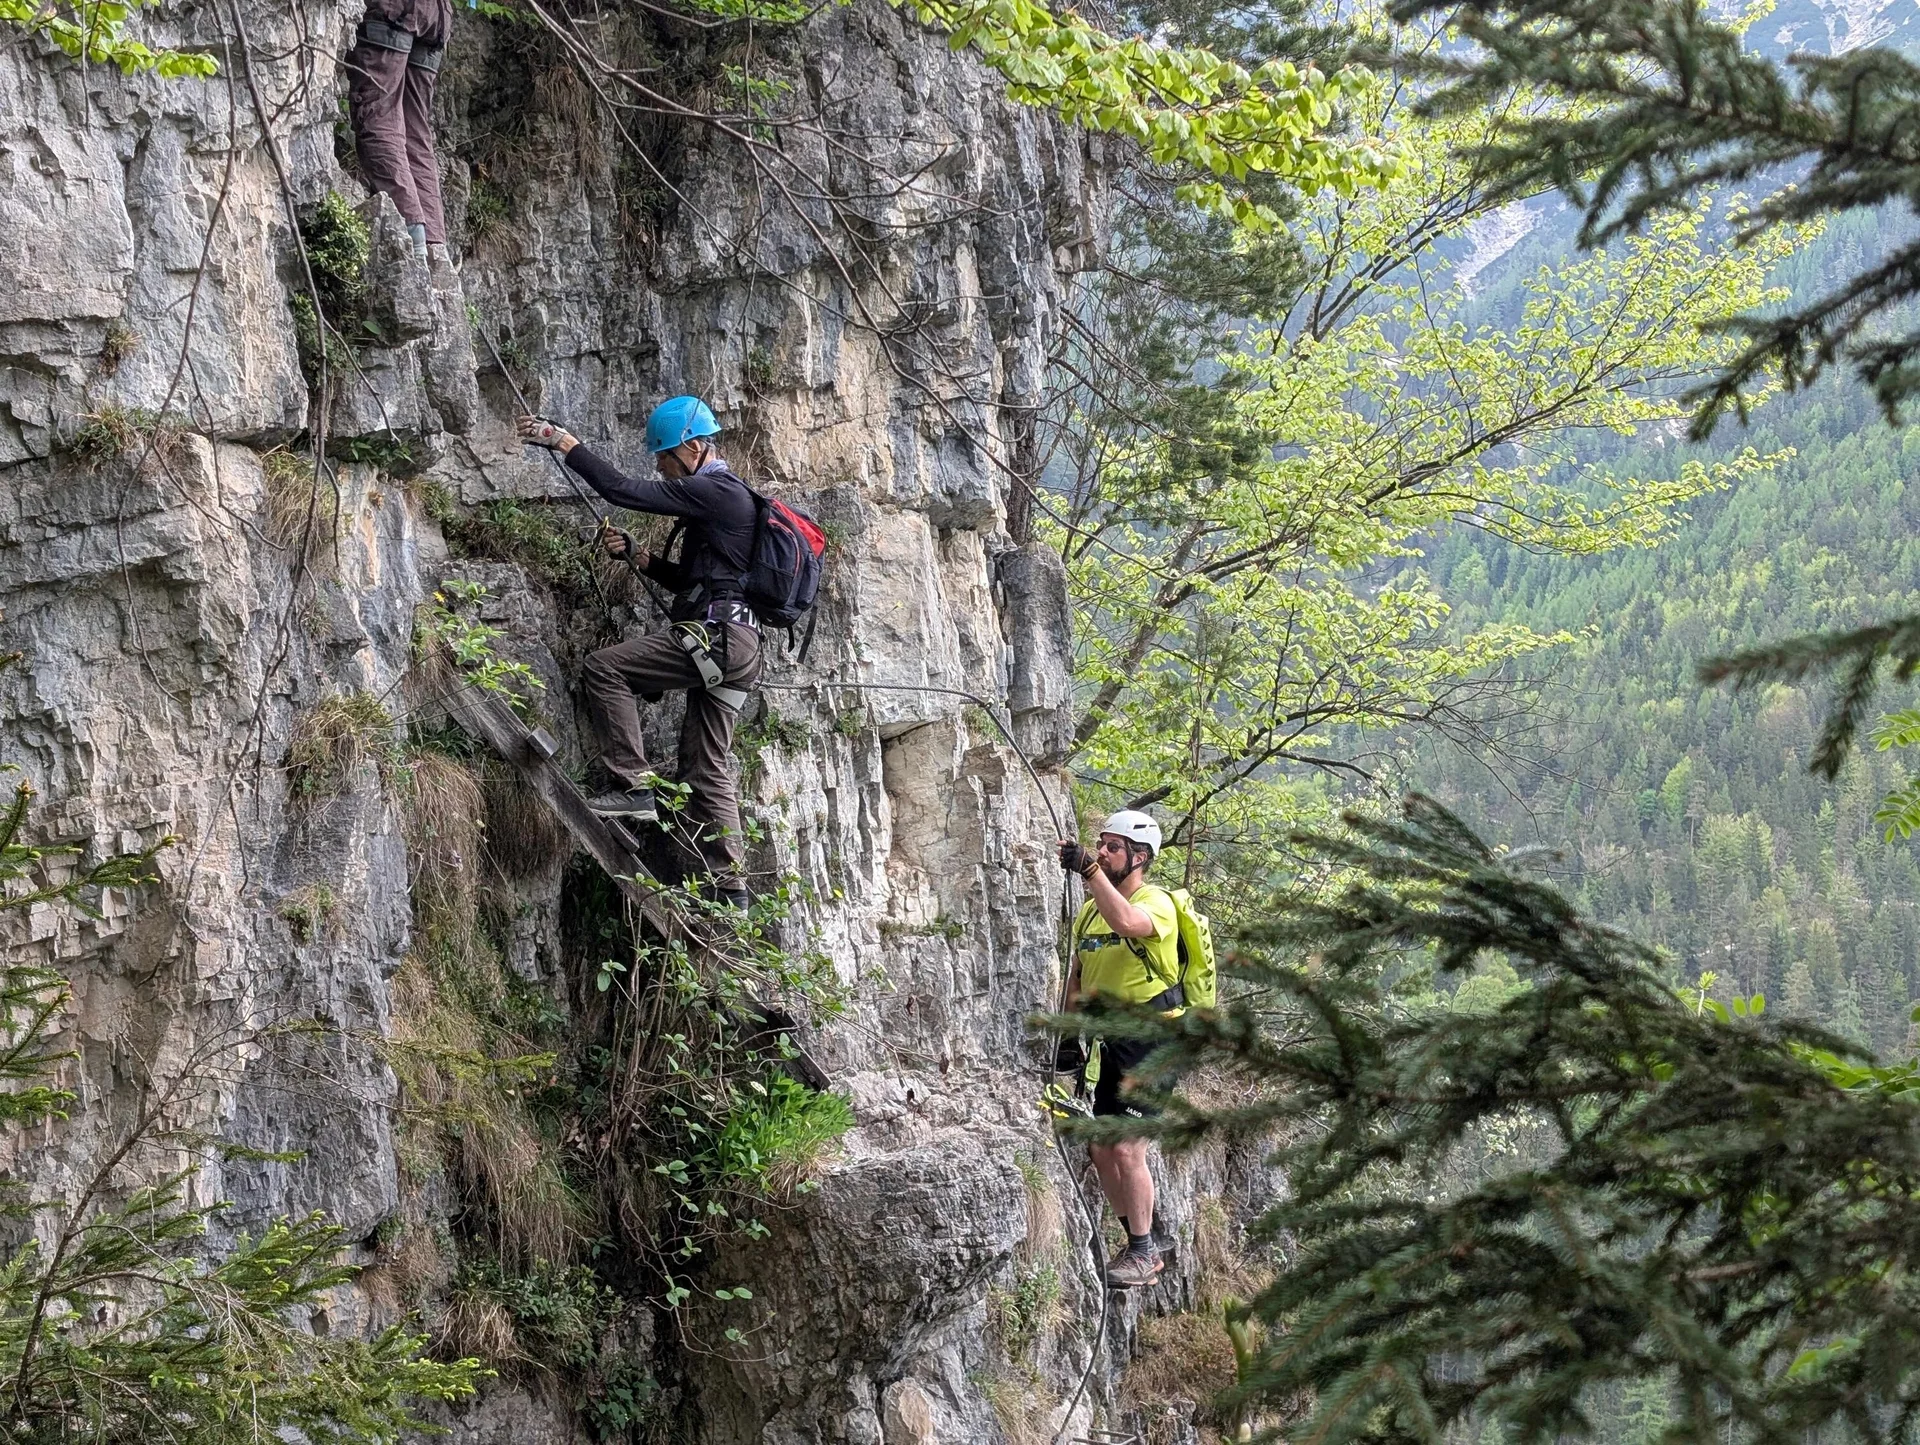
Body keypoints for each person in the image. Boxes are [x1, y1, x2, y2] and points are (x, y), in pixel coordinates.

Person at [517, 397, 762, 908]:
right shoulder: (727, 499)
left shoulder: (716, 490)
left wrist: (565, 444)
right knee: (707, 766)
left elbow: (621, 490)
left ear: (691, 448)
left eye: (664, 457)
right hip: (740, 644)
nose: (660, 467)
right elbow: (694, 581)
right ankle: (731, 889)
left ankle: (633, 787)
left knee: (605, 668)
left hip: (717, 637)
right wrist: (640, 556)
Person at [1058, 809, 1179, 1289]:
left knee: (1127, 1145)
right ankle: (1142, 1239)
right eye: (1101, 845)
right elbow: (1078, 973)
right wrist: (1070, 1033)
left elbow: (1128, 922)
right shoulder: (1090, 912)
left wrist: (1089, 870)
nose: (1103, 852)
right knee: (1102, 1146)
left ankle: (1143, 1253)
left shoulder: (1157, 902)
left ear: (1140, 857)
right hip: (1112, 1043)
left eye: (1114, 847)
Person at [346, 0, 453, 267]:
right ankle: (435, 252)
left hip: (395, 10)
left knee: (378, 118)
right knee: (415, 134)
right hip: (437, 14)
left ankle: (412, 245)